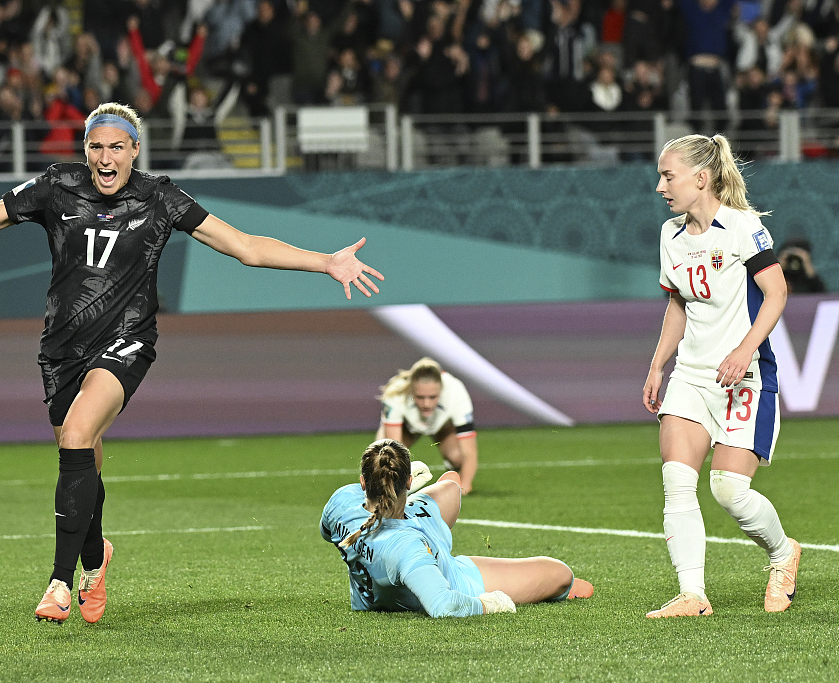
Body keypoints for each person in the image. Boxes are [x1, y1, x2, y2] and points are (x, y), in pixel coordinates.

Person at [0, 102, 385, 625]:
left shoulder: (161, 198)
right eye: (96, 147)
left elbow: (245, 246)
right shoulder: (56, 186)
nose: (105, 158)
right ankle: (95, 557)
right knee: (82, 456)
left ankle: (58, 582)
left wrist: (324, 262)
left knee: (77, 436)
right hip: (61, 348)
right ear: (85, 149)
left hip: (127, 341)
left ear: (135, 150)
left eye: (117, 148)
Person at [642, 133, 801, 618]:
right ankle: (692, 594)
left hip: (745, 376)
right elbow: (678, 303)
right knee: (677, 482)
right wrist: (658, 364)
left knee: (729, 490)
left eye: (668, 176)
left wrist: (744, 349)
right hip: (691, 376)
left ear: (701, 178)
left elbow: (777, 292)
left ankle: (783, 554)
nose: (660, 187)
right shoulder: (671, 235)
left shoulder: (742, 227)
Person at [320, 438, 594, 617]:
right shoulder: (407, 549)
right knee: (560, 573)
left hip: (404, 527)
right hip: (450, 575)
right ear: (408, 482)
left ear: (363, 482)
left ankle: (413, 508)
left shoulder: (342, 500)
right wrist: (490, 604)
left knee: (451, 485)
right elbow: (444, 605)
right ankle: (562, 588)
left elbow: (327, 532)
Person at [376, 358, 480, 494]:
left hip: (443, 427)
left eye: (432, 397)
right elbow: (393, 449)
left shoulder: (456, 392)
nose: (426, 404)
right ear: (411, 390)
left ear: (441, 390)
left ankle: (451, 468)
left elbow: (469, 452)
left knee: (458, 457)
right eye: (420, 397)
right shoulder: (396, 392)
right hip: (407, 427)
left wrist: (464, 487)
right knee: (383, 458)